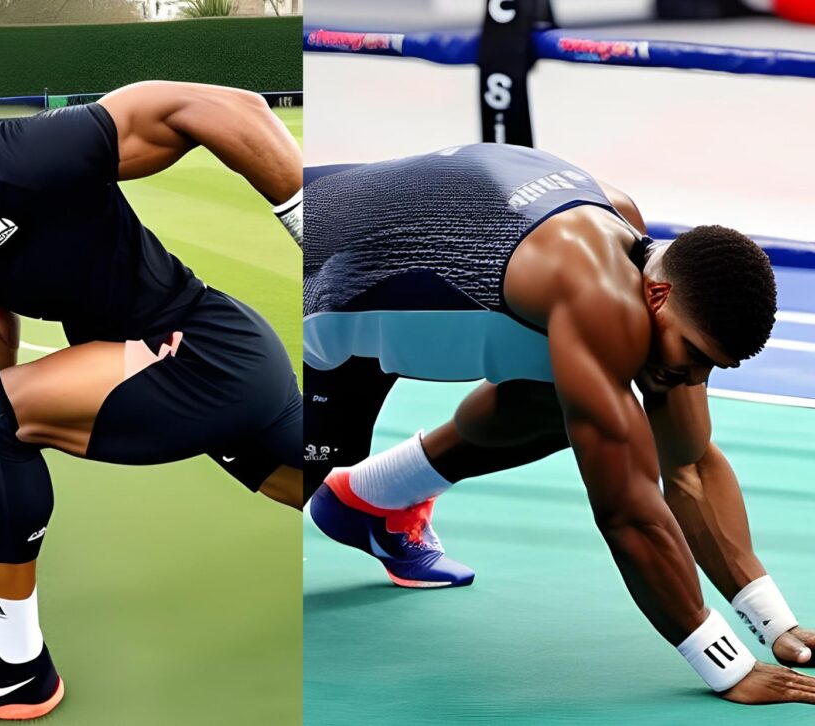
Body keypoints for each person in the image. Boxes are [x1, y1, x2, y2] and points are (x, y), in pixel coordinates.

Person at [0, 55, 302, 724]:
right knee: (311, 486)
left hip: (203, 351)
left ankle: (16, 667)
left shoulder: (31, 152)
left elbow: (232, 110)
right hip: (163, 365)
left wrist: (323, 248)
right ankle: (382, 513)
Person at [303, 143, 815, 704]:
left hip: (364, 271)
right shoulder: (598, 295)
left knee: (569, 397)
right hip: (303, 285)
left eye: (709, 367)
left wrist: (775, 623)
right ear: (660, 294)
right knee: (278, 486)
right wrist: (728, 665)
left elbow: (688, 464)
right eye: (693, 354)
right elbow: (628, 512)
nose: (692, 376)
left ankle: (373, 499)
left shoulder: (642, 262)